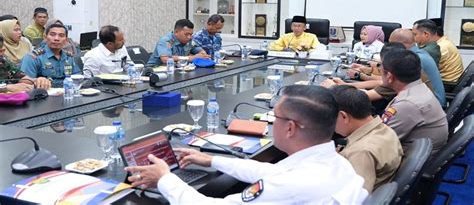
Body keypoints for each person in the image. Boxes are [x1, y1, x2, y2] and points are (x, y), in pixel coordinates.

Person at [124, 85, 368, 204]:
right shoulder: (337, 163)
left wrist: (164, 178)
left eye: (276, 118)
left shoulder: (290, 186)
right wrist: (211, 160)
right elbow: (271, 171)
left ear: (291, 127)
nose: (272, 123)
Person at [330, 85, 403, 193]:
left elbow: (355, 197)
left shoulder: (360, 152)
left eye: (330, 117)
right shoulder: (384, 130)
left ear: (343, 116)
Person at [381, 49, 448, 155]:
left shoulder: (407, 104)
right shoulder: (419, 87)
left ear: (389, 76)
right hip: (421, 155)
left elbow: (379, 140)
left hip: (405, 162)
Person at [389, 28, 445, 106]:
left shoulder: (414, 59)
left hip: (432, 104)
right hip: (430, 100)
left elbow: (396, 82)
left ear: (399, 44)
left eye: (390, 44)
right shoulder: (419, 53)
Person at [21, 21, 81, 87]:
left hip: (67, 92)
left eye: (61, 36)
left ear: (66, 40)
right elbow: (26, 82)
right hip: (43, 93)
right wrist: (38, 81)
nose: (56, 39)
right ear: (45, 37)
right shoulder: (33, 57)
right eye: (52, 35)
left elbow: (77, 78)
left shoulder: (69, 57)